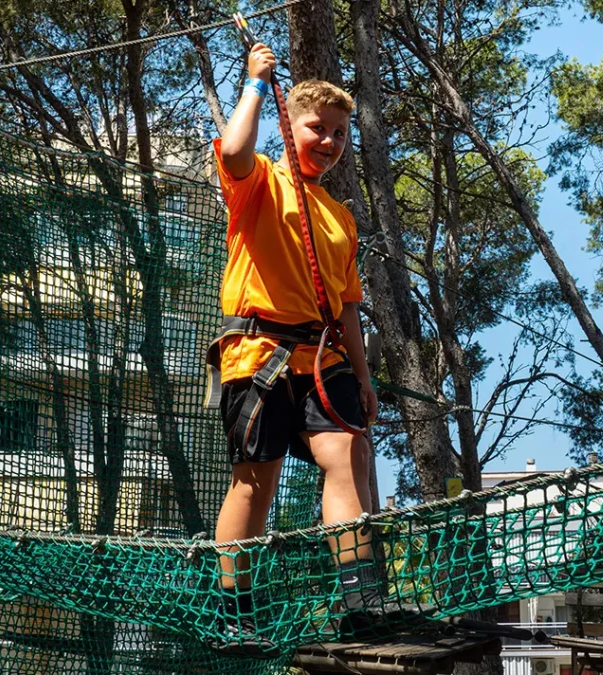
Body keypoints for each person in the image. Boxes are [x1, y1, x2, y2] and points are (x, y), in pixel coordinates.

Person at [207, 42, 391, 651]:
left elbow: (345, 307)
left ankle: (360, 602)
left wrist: (363, 377)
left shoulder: (339, 216)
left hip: (325, 359)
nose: (331, 142)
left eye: (340, 134)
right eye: (319, 128)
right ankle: (235, 608)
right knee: (256, 478)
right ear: (291, 123)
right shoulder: (261, 182)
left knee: (349, 457)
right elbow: (233, 150)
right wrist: (256, 84)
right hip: (259, 355)